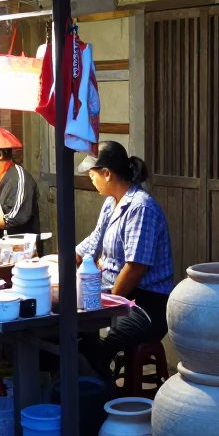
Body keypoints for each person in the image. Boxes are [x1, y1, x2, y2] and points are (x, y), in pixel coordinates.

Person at [75, 141, 175, 380]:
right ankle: (100, 392)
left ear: (107, 173)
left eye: (93, 174)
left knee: (95, 350)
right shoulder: (111, 202)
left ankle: (103, 402)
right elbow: (95, 240)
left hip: (145, 305)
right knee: (75, 334)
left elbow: (135, 267)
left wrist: (107, 305)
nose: (91, 179)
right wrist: (68, 258)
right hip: (116, 296)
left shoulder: (141, 207)